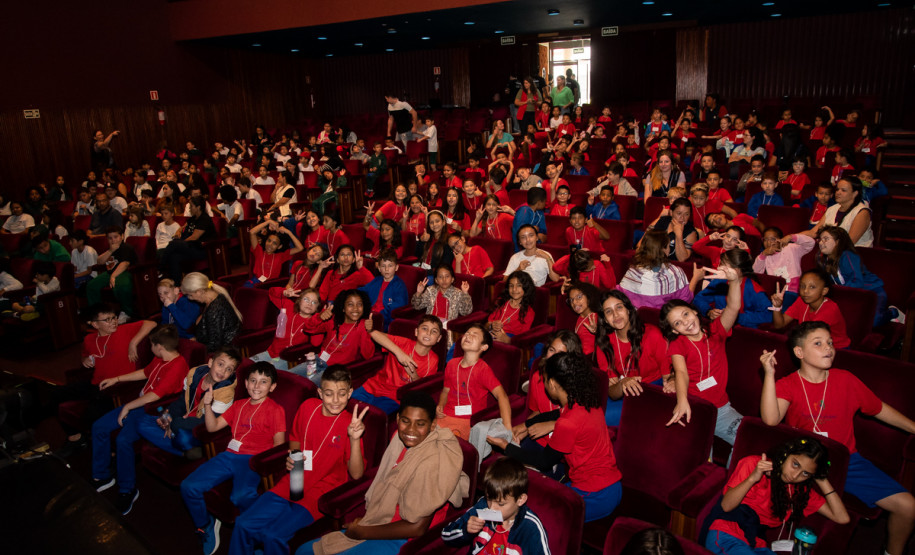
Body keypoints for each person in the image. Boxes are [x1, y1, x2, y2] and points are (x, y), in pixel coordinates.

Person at [761, 322, 915, 555]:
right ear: (799, 352)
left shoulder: (846, 379)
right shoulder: (788, 384)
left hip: (848, 462)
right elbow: (771, 419)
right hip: (804, 464)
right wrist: (769, 376)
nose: (828, 348)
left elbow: (879, 408)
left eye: (830, 343)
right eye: (818, 343)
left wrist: (913, 427)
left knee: (908, 505)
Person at [296, 391, 468, 555]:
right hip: (381, 519)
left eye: (420, 424)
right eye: (405, 421)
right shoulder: (398, 439)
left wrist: (362, 532)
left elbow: (417, 528)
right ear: (398, 419)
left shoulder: (434, 460)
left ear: (433, 425)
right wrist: (367, 524)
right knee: (303, 551)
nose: (411, 430)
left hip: (405, 538)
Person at [229, 366, 369, 555]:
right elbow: (295, 437)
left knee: (272, 535)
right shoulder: (308, 407)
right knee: (243, 523)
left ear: (350, 393)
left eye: (342, 394)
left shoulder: (350, 424)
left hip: (321, 490)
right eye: (329, 394)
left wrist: (354, 439)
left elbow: (357, 474)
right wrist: (294, 456)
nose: (335, 400)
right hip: (295, 479)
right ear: (320, 393)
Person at [491, 352, 623, 522]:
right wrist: (526, 425)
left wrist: (507, 447)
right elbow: (553, 414)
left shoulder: (568, 423)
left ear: (552, 384)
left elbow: (544, 461)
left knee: (532, 515)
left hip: (595, 494)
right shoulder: (585, 402)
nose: (544, 384)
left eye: (545, 380)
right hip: (610, 486)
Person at [181, 362, 286, 555]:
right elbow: (212, 427)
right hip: (229, 455)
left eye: (263, 382)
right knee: (188, 486)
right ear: (245, 383)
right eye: (253, 380)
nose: (256, 386)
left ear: (272, 387)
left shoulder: (275, 410)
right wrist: (207, 405)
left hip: (252, 459)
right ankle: (205, 525)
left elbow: (279, 445)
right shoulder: (238, 405)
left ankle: (255, 533)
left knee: (240, 496)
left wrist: (267, 464)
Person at [90, 325, 189, 514]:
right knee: (98, 427)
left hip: (151, 410)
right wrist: (117, 379)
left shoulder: (177, 365)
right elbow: (145, 372)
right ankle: (102, 476)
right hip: (139, 404)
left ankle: (127, 490)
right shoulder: (161, 357)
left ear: (159, 346)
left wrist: (128, 406)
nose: (150, 347)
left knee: (123, 440)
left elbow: (155, 396)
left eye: (151, 344)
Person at [702, 436, 850, 555]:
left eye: (805, 473)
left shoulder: (800, 492)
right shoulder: (754, 464)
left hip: (757, 544)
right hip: (727, 533)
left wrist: (822, 480)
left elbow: (842, 518)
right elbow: (726, 506)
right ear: (786, 454)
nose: (795, 475)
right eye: (795, 464)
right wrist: (752, 479)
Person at [54, 303, 157, 456]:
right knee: (56, 394)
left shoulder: (124, 330)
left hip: (116, 387)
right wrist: (84, 360)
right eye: (107, 320)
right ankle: (75, 438)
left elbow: (151, 323)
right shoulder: (89, 339)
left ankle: (106, 449)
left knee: (92, 412)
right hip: (96, 383)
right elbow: (85, 354)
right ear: (95, 324)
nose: (113, 322)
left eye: (114, 318)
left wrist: (133, 342)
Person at [661, 264, 743, 447]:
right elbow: (681, 372)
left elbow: (733, 307)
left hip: (721, 408)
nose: (686, 322)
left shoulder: (717, 331)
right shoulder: (678, 343)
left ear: (695, 311)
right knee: (700, 452)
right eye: (678, 323)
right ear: (675, 330)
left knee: (746, 439)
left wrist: (734, 281)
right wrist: (682, 401)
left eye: (686, 314)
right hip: (693, 405)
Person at [441, 456, 550, 554]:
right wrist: (466, 530)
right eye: (489, 499)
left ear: (520, 500)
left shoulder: (531, 527)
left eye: (501, 504)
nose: (492, 508)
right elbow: (446, 535)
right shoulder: (483, 506)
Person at [596, 290, 671, 426]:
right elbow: (612, 392)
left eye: (619, 307)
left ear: (629, 310)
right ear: (605, 319)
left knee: (606, 418)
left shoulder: (652, 335)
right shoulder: (604, 344)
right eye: (608, 311)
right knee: (596, 414)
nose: (615, 315)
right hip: (625, 390)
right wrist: (622, 383)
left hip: (655, 388)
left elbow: (669, 378)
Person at [436, 323, 512, 441]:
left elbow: (502, 396)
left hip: (468, 420)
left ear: (483, 347)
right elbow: (446, 391)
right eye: (467, 333)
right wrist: (440, 404)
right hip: (446, 415)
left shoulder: (482, 369)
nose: (468, 336)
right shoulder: (451, 364)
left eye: (474, 335)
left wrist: (507, 428)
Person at [353, 316, 443, 415]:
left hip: (394, 397)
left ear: (438, 338)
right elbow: (375, 334)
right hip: (374, 386)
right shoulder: (404, 343)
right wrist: (399, 353)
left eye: (434, 331)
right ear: (416, 332)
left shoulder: (433, 360)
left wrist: (413, 374)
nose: (428, 333)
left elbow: (423, 388)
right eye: (424, 328)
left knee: (373, 416)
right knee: (350, 405)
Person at [815, 225, 891, 327]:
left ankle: (893, 312)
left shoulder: (847, 256)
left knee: (874, 321)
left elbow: (856, 281)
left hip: (872, 292)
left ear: (838, 242)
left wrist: (837, 294)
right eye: (820, 239)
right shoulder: (824, 260)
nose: (821, 242)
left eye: (826, 239)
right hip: (852, 295)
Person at [769, 268, 851, 349]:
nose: (805, 291)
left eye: (812, 287)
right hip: (813, 345)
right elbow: (779, 325)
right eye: (802, 286)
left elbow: (810, 337)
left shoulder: (830, 309)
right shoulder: (801, 301)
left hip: (836, 349)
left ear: (824, 291)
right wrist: (777, 307)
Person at [694, 249, 773, 329]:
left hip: (744, 330)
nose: (718, 267)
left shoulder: (754, 289)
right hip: (719, 327)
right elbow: (698, 299)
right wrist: (708, 311)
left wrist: (736, 317)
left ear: (736, 270)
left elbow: (768, 315)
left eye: (723, 265)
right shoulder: (719, 282)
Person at [618, 229, 692, 309]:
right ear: (663, 250)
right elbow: (685, 300)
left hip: (635, 316)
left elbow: (620, 297)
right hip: (663, 316)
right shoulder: (676, 273)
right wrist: (695, 278)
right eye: (668, 246)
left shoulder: (633, 271)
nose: (669, 249)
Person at [159, 197, 218, 281]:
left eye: (191, 206)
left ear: (198, 207)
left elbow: (194, 237)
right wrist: (178, 232)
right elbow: (182, 227)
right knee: (174, 257)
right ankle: (177, 284)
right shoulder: (193, 218)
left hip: (201, 249)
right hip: (191, 247)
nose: (190, 208)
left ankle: (160, 268)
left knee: (174, 244)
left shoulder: (204, 219)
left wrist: (180, 243)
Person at [804, 177, 873, 248]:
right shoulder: (832, 209)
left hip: (854, 252)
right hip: (830, 249)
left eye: (843, 190)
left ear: (855, 193)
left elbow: (849, 242)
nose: (838, 193)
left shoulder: (862, 212)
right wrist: (796, 237)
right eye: (837, 189)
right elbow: (814, 232)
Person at [181, 272, 242, 352]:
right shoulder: (215, 296)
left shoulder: (214, 310)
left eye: (190, 295)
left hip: (223, 353)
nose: (189, 298)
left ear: (199, 291)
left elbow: (215, 346)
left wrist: (196, 346)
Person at [86, 226, 137, 320]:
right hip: (110, 273)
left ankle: (126, 312)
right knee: (91, 286)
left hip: (125, 272)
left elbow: (125, 264)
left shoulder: (126, 247)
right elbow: (99, 261)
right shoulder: (110, 249)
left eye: (115, 237)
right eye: (110, 238)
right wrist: (110, 251)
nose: (113, 240)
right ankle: (97, 313)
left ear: (122, 236)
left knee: (122, 285)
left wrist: (113, 276)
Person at [411, 265, 473, 337]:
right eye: (440, 277)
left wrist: (465, 294)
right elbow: (417, 306)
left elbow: (465, 312)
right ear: (436, 280)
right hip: (430, 323)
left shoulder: (458, 293)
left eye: (447, 276)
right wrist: (419, 292)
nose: (444, 279)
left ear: (452, 279)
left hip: (447, 326)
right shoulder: (430, 290)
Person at [359, 249, 409, 329]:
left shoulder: (399, 285)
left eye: (390, 266)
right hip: (369, 315)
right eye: (383, 266)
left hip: (385, 321)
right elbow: (363, 290)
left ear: (396, 267)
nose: (386, 269)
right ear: (379, 268)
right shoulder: (377, 280)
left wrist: (379, 315)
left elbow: (398, 307)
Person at [245, 220, 304, 288]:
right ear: (266, 241)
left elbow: (300, 248)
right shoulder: (258, 250)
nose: (270, 244)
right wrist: (268, 222)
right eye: (269, 241)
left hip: (272, 284)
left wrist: (288, 232)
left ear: (279, 247)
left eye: (274, 243)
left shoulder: (281, 256)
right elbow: (252, 232)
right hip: (256, 282)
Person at [487, 271, 536, 344]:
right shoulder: (501, 302)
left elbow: (523, 339)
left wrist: (508, 340)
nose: (514, 289)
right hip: (492, 334)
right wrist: (491, 325)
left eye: (519, 285)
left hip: (511, 340)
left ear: (526, 287)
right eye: (511, 286)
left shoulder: (529, 312)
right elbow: (487, 324)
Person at [642, 198, 698, 262]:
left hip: (673, 265)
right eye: (679, 213)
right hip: (653, 261)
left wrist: (678, 235)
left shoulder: (691, 232)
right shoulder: (662, 221)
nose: (682, 218)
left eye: (686, 214)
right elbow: (642, 244)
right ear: (671, 212)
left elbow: (682, 259)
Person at [566, 282, 601, 356]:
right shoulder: (581, 316)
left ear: (589, 296)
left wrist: (598, 332)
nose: (574, 302)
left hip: (588, 357)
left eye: (579, 297)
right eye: (571, 300)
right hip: (579, 354)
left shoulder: (595, 318)